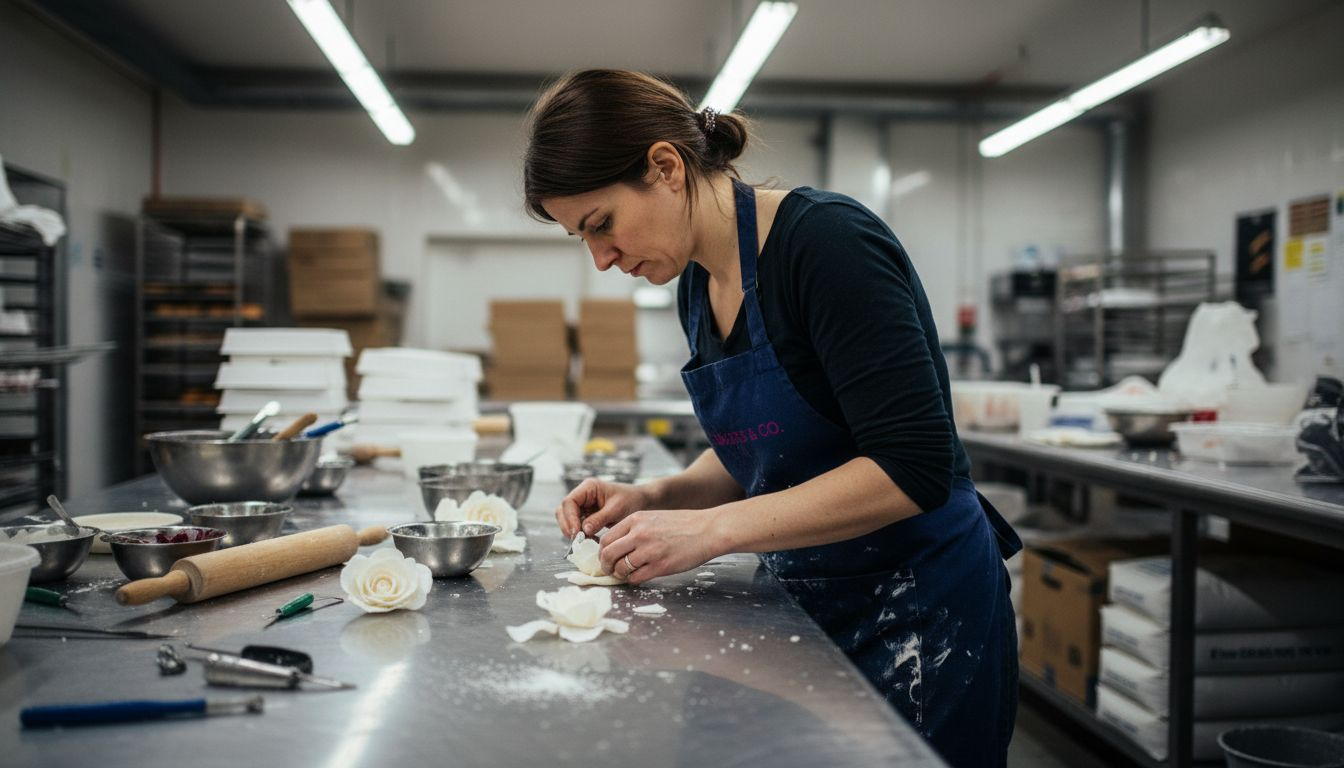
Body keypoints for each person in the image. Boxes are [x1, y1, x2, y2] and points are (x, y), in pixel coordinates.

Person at [524, 69, 1021, 768]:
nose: (602, 259)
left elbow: (913, 465)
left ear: (666, 167)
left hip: (918, 607)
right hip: (808, 599)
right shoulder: (696, 281)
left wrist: (712, 530)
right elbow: (769, 444)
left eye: (601, 224)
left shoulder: (825, 244)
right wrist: (659, 496)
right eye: (583, 238)